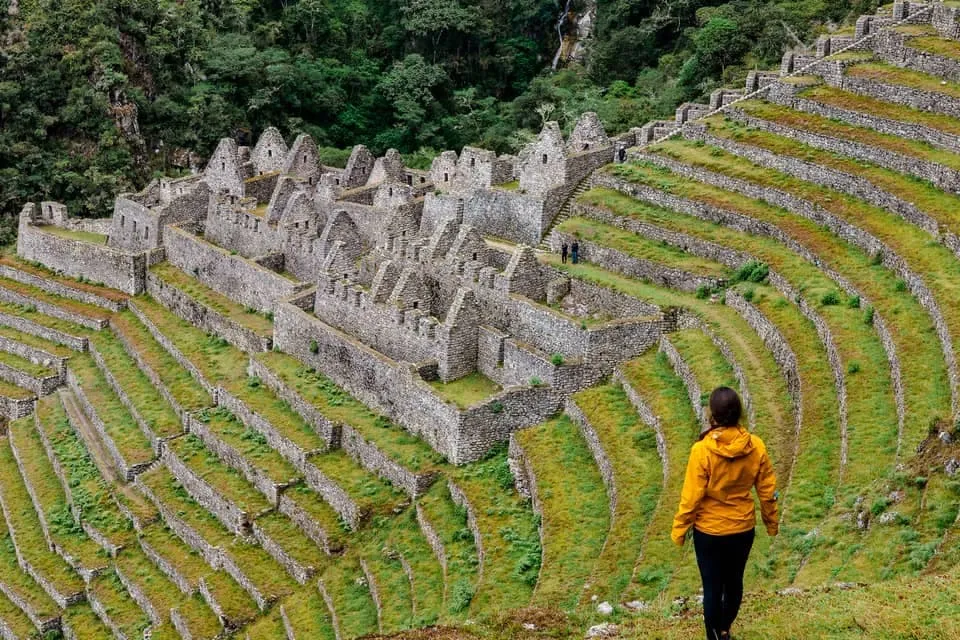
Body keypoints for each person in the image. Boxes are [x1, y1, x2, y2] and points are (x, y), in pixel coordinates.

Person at [672, 387, 779, 640]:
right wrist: (771, 523)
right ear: (739, 412)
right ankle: (724, 628)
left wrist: (679, 530)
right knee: (734, 583)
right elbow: (767, 491)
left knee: (712, 587)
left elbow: (691, 497)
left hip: (709, 532)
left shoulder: (702, 451)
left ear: (712, 415)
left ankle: (714, 636)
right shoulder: (756, 446)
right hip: (742, 529)